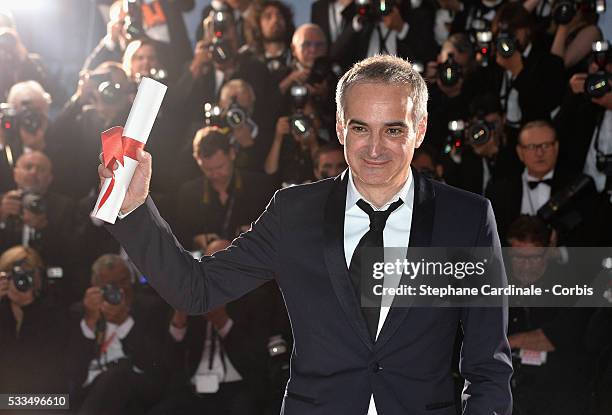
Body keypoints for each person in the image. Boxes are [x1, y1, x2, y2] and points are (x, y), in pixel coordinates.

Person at [99, 55, 512, 414]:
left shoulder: (467, 218)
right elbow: (196, 289)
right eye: (360, 128)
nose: (374, 148)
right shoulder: (294, 212)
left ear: (419, 129)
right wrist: (135, 208)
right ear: (339, 127)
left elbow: (488, 364)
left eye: (393, 130)